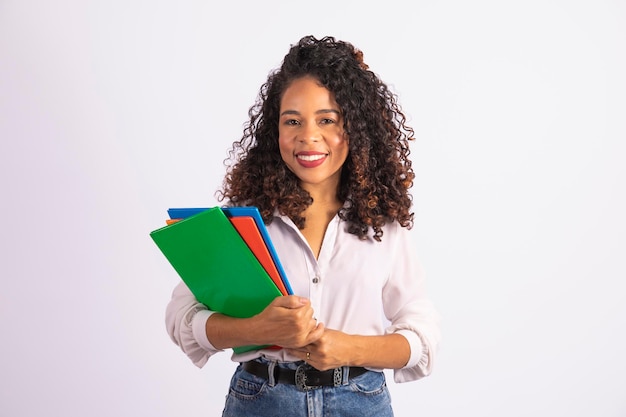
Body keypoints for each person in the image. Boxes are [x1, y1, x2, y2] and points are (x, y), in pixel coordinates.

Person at [165, 35, 441, 417]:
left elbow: (422, 336)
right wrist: (259, 330)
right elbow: (183, 319)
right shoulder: (243, 221)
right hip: (260, 400)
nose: (308, 136)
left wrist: (350, 348)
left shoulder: (383, 224)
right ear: (274, 131)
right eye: (292, 120)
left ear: (356, 128)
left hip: (359, 402)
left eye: (327, 120)